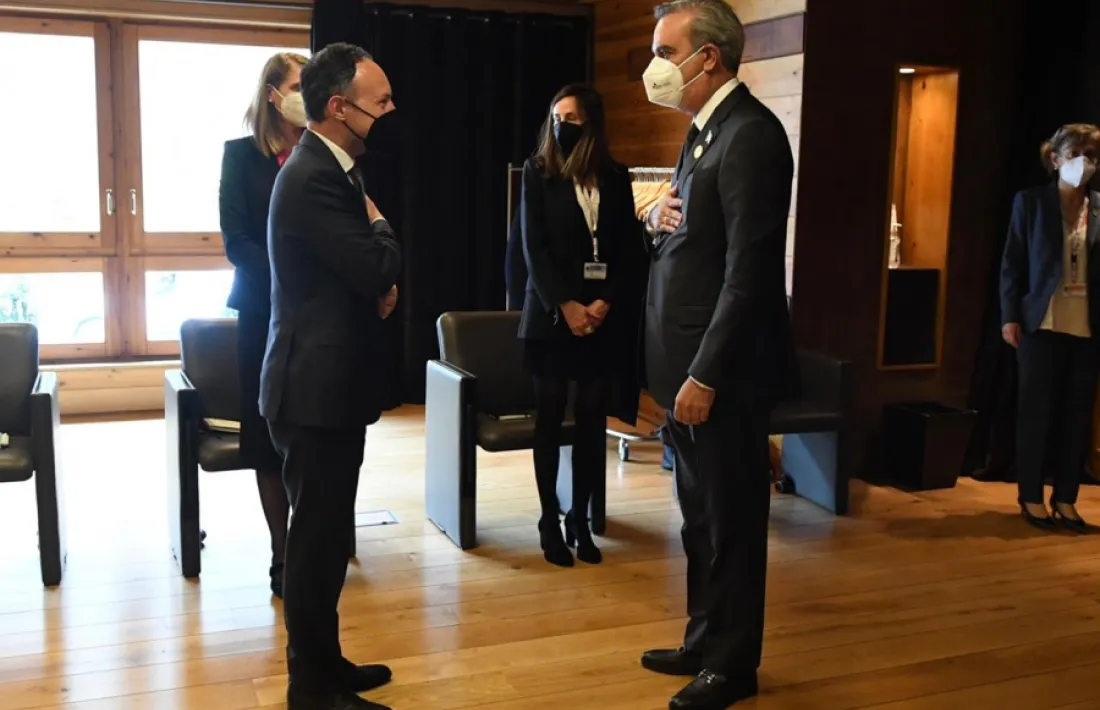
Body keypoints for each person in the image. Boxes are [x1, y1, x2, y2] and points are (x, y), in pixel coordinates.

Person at [637, 1, 797, 708]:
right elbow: (694, 239)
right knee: (699, 519)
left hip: (722, 376)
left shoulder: (752, 135)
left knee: (731, 524)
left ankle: (734, 665)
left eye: (666, 52)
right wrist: (655, 219)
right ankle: (704, 637)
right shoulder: (705, 135)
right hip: (684, 370)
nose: (656, 68)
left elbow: (749, 271)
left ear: (709, 57)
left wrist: (704, 371)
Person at [260, 42, 401, 710]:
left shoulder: (333, 166)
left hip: (329, 386)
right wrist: (383, 235)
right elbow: (374, 268)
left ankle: (327, 664)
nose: (390, 111)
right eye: (380, 102)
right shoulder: (316, 173)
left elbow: (356, 276)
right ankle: (310, 690)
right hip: (312, 391)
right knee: (314, 552)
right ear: (338, 107)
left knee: (325, 540)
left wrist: (373, 269)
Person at [519, 83, 644, 568]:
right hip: (552, 318)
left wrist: (603, 304)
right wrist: (566, 305)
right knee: (550, 418)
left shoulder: (615, 176)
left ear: (591, 122)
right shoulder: (538, 172)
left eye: (570, 117)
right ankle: (548, 520)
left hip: (600, 319)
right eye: (555, 116)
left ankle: (580, 518)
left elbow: (627, 252)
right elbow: (534, 248)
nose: (561, 124)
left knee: (593, 421)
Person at [219, 51, 308, 599]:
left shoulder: (325, 153)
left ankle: (315, 545)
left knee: (314, 436)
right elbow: (237, 241)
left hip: (318, 319)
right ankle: (282, 553)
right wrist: (287, 282)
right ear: (273, 94)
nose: (307, 92)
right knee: (268, 441)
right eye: (298, 84)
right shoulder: (241, 157)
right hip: (262, 315)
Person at [1000, 123, 1100, 534]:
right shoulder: (1030, 202)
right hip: (1041, 321)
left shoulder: (1098, 206)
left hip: (1087, 325)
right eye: (1077, 153)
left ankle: (1066, 499)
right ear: (1056, 158)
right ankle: (1030, 497)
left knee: (1076, 416)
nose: (1085, 163)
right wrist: (1009, 315)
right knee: (1035, 413)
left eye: (1092, 155)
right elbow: (1012, 263)